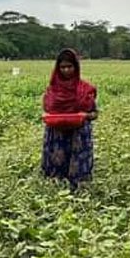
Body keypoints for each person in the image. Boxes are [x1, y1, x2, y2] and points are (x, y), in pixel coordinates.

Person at [41, 48, 98, 189]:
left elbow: (95, 113)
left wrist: (86, 116)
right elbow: (47, 109)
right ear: (57, 68)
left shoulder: (85, 88)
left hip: (79, 134)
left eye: (69, 66)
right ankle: (56, 190)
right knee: (56, 171)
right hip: (56, 134)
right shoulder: (52, 89)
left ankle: (78, 190)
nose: (66, 70)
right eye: (62, 67)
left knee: (78, 169)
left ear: (76, 67)